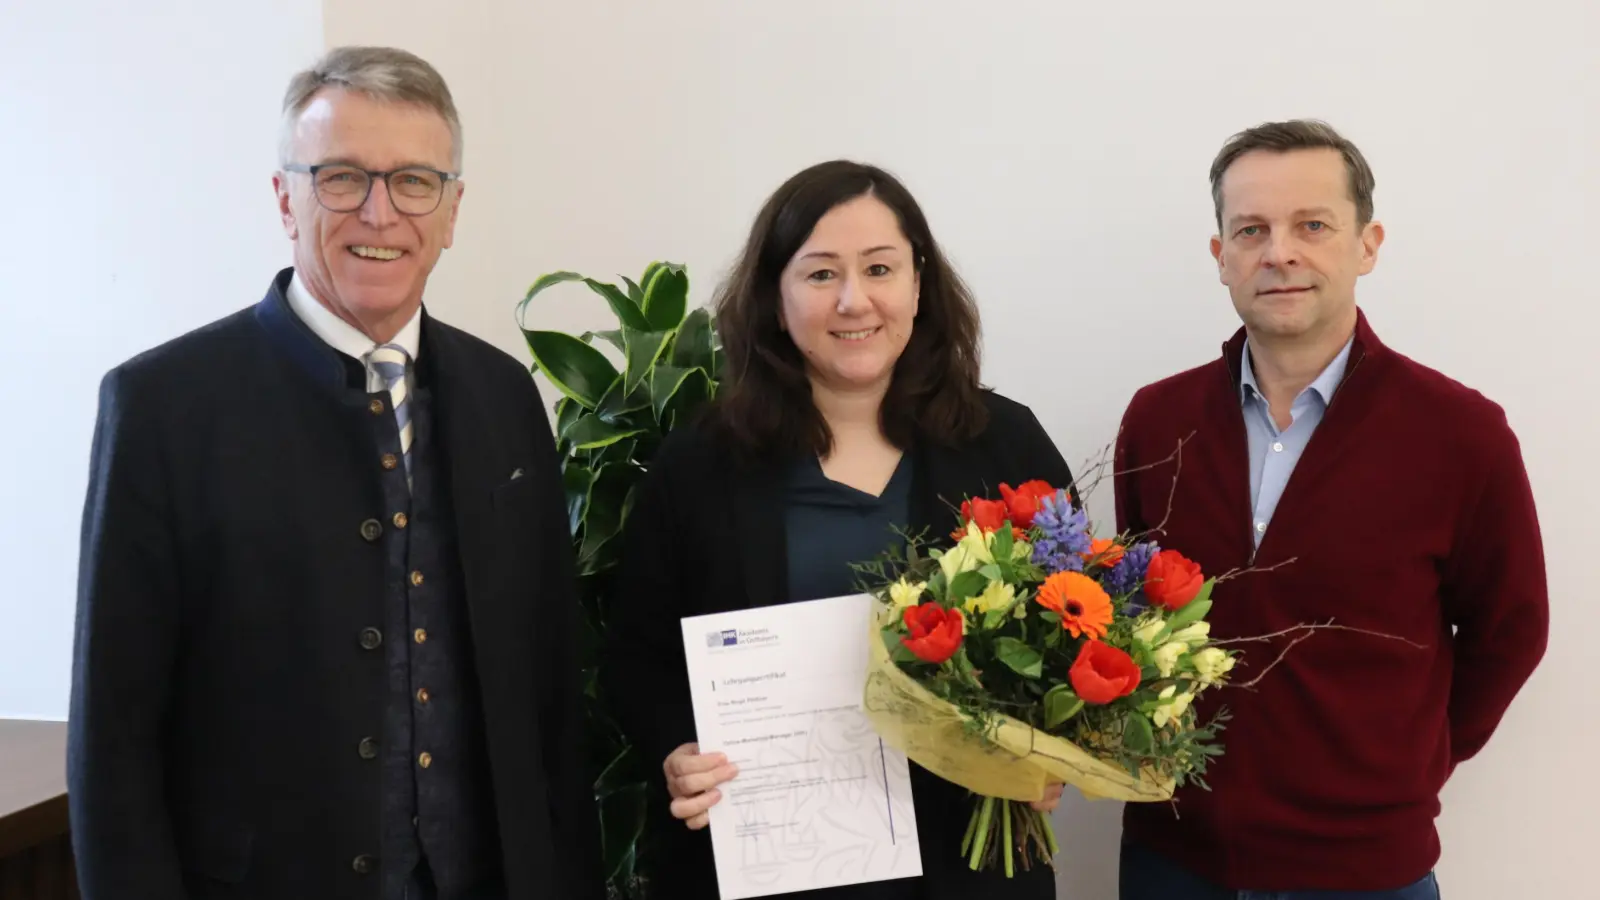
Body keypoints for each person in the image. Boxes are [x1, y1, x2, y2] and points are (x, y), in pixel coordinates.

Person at [68, 46, 600, 900]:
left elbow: (548, 701)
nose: (380, 213)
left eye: (415, 182)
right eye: (343, 177)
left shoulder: (507, 397)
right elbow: (114, 737)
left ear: (454, 208)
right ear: (286, 198)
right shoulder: (161, 407)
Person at [602, 160, 1072, 900]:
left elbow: (1078, 632)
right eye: (821, 275)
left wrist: (1055, 752)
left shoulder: (1004, 445)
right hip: (770, 867)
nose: (855, 301)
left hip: (969, 866)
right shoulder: (701, 463)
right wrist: (675, 752)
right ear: (774, 298)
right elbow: (637, 653)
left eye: (879, 268)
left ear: (918, 283)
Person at [1112, 119, 1549, 899]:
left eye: (1312, 225)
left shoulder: (1462, 436)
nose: (1279, 251)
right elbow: (1133, 623)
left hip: (1366, 873)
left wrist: (1408, 762)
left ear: (1368, 245)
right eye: (1252, 229)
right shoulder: (1157, 420)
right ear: (1221, 258)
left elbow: (1510, 632)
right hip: (1172, 863)